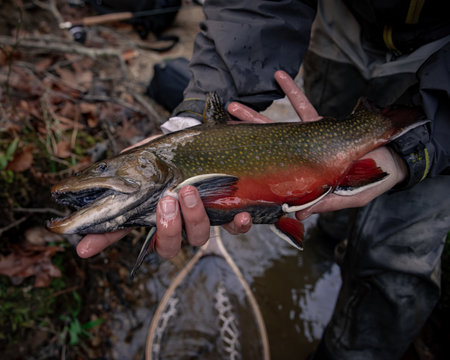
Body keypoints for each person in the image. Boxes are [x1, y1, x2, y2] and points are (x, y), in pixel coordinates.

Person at [77, 1, 450, 358]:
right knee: (331, 200)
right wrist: (193, 118)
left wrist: (416, 146)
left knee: (398, 257)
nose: (103, 175)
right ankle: (324, 248)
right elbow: (255, 7)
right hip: (342, 29)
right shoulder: (162, 165)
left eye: (105, 170)